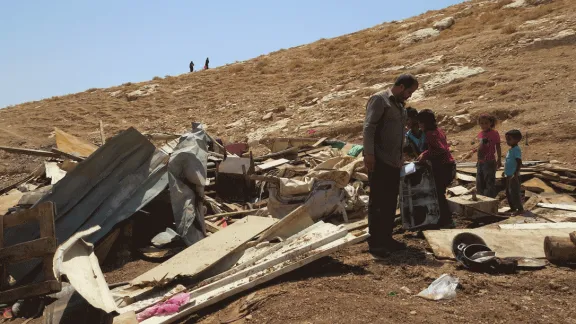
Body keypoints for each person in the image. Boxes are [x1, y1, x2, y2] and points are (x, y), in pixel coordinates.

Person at [363, 74, 419, 258]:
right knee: (378, 202)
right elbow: (369, 128)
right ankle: (376, 242)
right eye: (409, 91)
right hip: (379, 161)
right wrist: (369, 154)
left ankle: (387, 238)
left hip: (394, 162)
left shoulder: (400, 106)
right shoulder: (380, 100)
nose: (410, 96)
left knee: (389, 202)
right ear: (401, 87)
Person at [416, 109, 456, 228]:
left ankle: (446, 221)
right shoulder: (438, 131)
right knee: (439, 194)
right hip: (448, 165)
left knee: (438, 195)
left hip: (443, 167)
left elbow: (440, 149)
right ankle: (444, 219)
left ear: (424, 123)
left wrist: (426, 155)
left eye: (420, 123)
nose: (419, 126)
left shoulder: (430, 134)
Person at [474, 114, 501, 198]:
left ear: (490, 123)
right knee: (479, 182)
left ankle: (490, 201)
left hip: (489, 161)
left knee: (489, 182)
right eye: (482, 123)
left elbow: (498, 146)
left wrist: (499, 159)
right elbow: (480, 147)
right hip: (481, 162)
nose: (484, 125)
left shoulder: (494, 133)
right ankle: (481, 201)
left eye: (486, 123)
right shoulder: (480, 134)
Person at [504, 130, 524, 214]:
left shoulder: (516, 149)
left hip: (513, 175)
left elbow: (519, 162)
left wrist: (515, 173)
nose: (507, 141)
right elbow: (509, 162)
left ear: (517, 140)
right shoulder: (510, 150)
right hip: (508, 175)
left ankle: (520, 209)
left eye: (509, 139)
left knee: (515, 192)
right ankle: (513, 208)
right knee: (508, 192)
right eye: (506, 139)